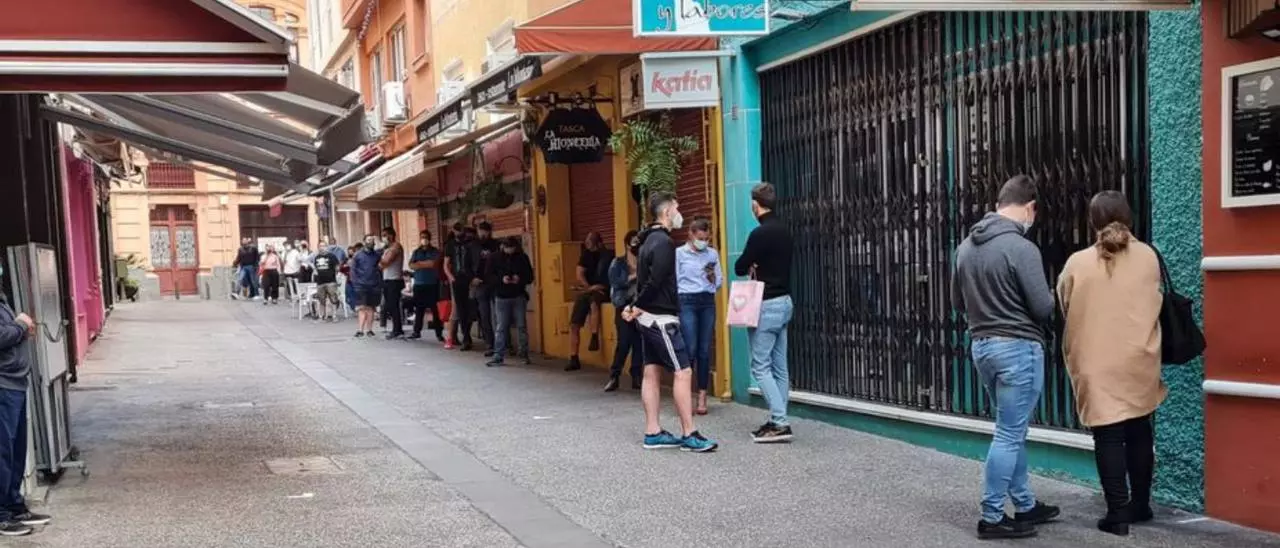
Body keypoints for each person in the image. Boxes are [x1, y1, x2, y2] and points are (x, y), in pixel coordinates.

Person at [952, 174, 1060, 540]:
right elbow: (1043, 307)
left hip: (982, 346)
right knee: (1010, 433)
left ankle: (1025, 504)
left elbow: (957, 302)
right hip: (1018, 348)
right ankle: (992, 516)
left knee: (1010, 429)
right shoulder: (1021, 248)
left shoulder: (965, 247)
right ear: (1030, 207)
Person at [1057, 191, 1164, 536]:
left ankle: (1117, 513)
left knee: (1108, 435)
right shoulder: (1148, 256)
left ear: (1092, 222)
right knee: (1139, 428)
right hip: (1139, 357)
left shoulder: (1077, 263)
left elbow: (1064, 304)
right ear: (1129, 218)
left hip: (1096, 361)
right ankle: (1141, 504)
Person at [624, 191, 718, 453]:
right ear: (666, 212)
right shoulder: (664, 243)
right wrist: (635, 306)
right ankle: (689, 433)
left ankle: (653, 431)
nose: (679, 213)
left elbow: (644, 281)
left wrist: (635, 306)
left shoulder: (647, 241)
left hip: (649, 318)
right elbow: (655, 281)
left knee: (652, 372)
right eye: (676, 208)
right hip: (661, 319)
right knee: (683, 371)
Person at [734, 182, 796, 443]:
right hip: (784, 302)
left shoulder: (759, 234)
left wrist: (754, 263)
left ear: (755, 205)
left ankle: (780, 421)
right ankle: (777, 418)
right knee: (780, 367)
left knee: (760, 366)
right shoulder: (785, 230)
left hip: (766, 304)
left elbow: (740, 266)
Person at [0, 287, 52, 536]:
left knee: (16, 450)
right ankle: (2, 515)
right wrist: (21, 325)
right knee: (3, 452)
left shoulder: (2, 300)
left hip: (15, 382)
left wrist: (21, 328)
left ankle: (14, 506)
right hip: (3, 384)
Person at [677, 218, 723, 414]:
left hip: (707, 300)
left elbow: (719, 281)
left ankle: (702, 395)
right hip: (686, 300)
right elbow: (674, 280)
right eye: (700, 238)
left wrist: (712, 276)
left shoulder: (712, 254)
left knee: (704, 349)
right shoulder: (679, 253)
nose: (703, 242)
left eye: (706, 238)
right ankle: (685, 395)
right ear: (691, 234)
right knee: (690, 347)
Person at [566, 231, 611, 372]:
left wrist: (598, 287)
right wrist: (588, 287)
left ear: (598, 243)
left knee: (594, 303)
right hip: (588, 290)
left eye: (590, 242)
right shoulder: (586, 255)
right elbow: (579, 272)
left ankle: (594, 336)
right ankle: (574, 357)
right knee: (574, 324)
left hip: (602, 290)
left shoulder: (607, 255)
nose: (587, 244)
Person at [486, 236, 534, 367]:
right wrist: (501, 279)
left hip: (518, 295)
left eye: (512, 248)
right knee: (501, 326)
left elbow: (530, 276)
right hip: (501, 296)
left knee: (521, 326)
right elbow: (488, 276)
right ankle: (498, 355)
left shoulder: (522, 258)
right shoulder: (494, 258)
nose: (510, 250)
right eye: (507, 247)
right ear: (502, 246)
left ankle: (523, 353)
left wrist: (520, 279)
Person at [605, 230, 642, 392]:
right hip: (623, 305)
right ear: (627, 245)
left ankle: (636, 376)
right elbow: (615, 282)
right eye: (634, 242)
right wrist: (633, 276)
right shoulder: (618, 263)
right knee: (624, 342)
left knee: (639, 342)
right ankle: (615, 375)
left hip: (640, 305)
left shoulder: (644, 261)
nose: (636, 246)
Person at [449, 226, 481, 351]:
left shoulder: (473, 246)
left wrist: (474, 277)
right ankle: (466, 337)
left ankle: (467, 336)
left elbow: (476, 262)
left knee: (470, 309)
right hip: (458, 280)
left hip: (471, 281)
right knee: (461, 310)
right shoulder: (453, 245)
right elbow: (448, 263)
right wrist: (451, 277)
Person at [408, 230, 444, 341]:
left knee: (435, 310)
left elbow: (433, 264)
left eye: (426, 237)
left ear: (430, 238)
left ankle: (439, 333)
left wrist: (419, 264)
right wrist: (425, 264)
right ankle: (416, 332)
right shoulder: (416, 252)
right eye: (422, 237)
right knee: (419, 309)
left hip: (432, 284)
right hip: (419, 284)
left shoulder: (435, 251)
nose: (424, 239)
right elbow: (411, 265)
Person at [473, 222, 501, 356]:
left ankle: (503, 342)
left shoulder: (496, 245)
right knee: (485, 315)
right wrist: (472, 278)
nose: (483, 234)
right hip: (480, 283)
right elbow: (467, 263)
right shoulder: (473, 246)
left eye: (486, 231)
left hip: (495, 283)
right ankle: (489, 343)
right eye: (481, 231)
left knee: (499, 314)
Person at [351, 235, 384, 338]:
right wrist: (355, 284)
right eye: (369, 240)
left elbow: (381, 265)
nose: (371, 242)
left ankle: (369, 330)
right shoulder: (358, 255)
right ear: (364, 241)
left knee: (370, 308)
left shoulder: (377, 255)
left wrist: (379, 283)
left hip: (374, 285)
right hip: (361, 285)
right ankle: (360, 330)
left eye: (372, 240)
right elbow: (353, 270)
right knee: (362, 307)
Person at [379, 227, 406, 340]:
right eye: (382, 235)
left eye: (385, 235)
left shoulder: (396, 247)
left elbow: (385, 262)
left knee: (394, 306)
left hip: (394, 280)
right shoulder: (388, 248)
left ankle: (397, 330)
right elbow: (381, 265)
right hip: (387, 279)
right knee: (390, 306)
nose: (384, 238)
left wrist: (378, 259)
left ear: (391, 235)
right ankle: (396, 328)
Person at [311, 244, 341, 322]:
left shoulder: (332, 256)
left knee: (333, 299)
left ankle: (334, 316)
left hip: (330, 281)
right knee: (321, 300)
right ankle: (321, 317)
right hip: (320, 282)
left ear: (326, 247)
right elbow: (316, 268)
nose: (322, 248)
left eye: (323, 246)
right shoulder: (317, 257)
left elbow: (337, 267)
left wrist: (335, 275)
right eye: (320, 246)